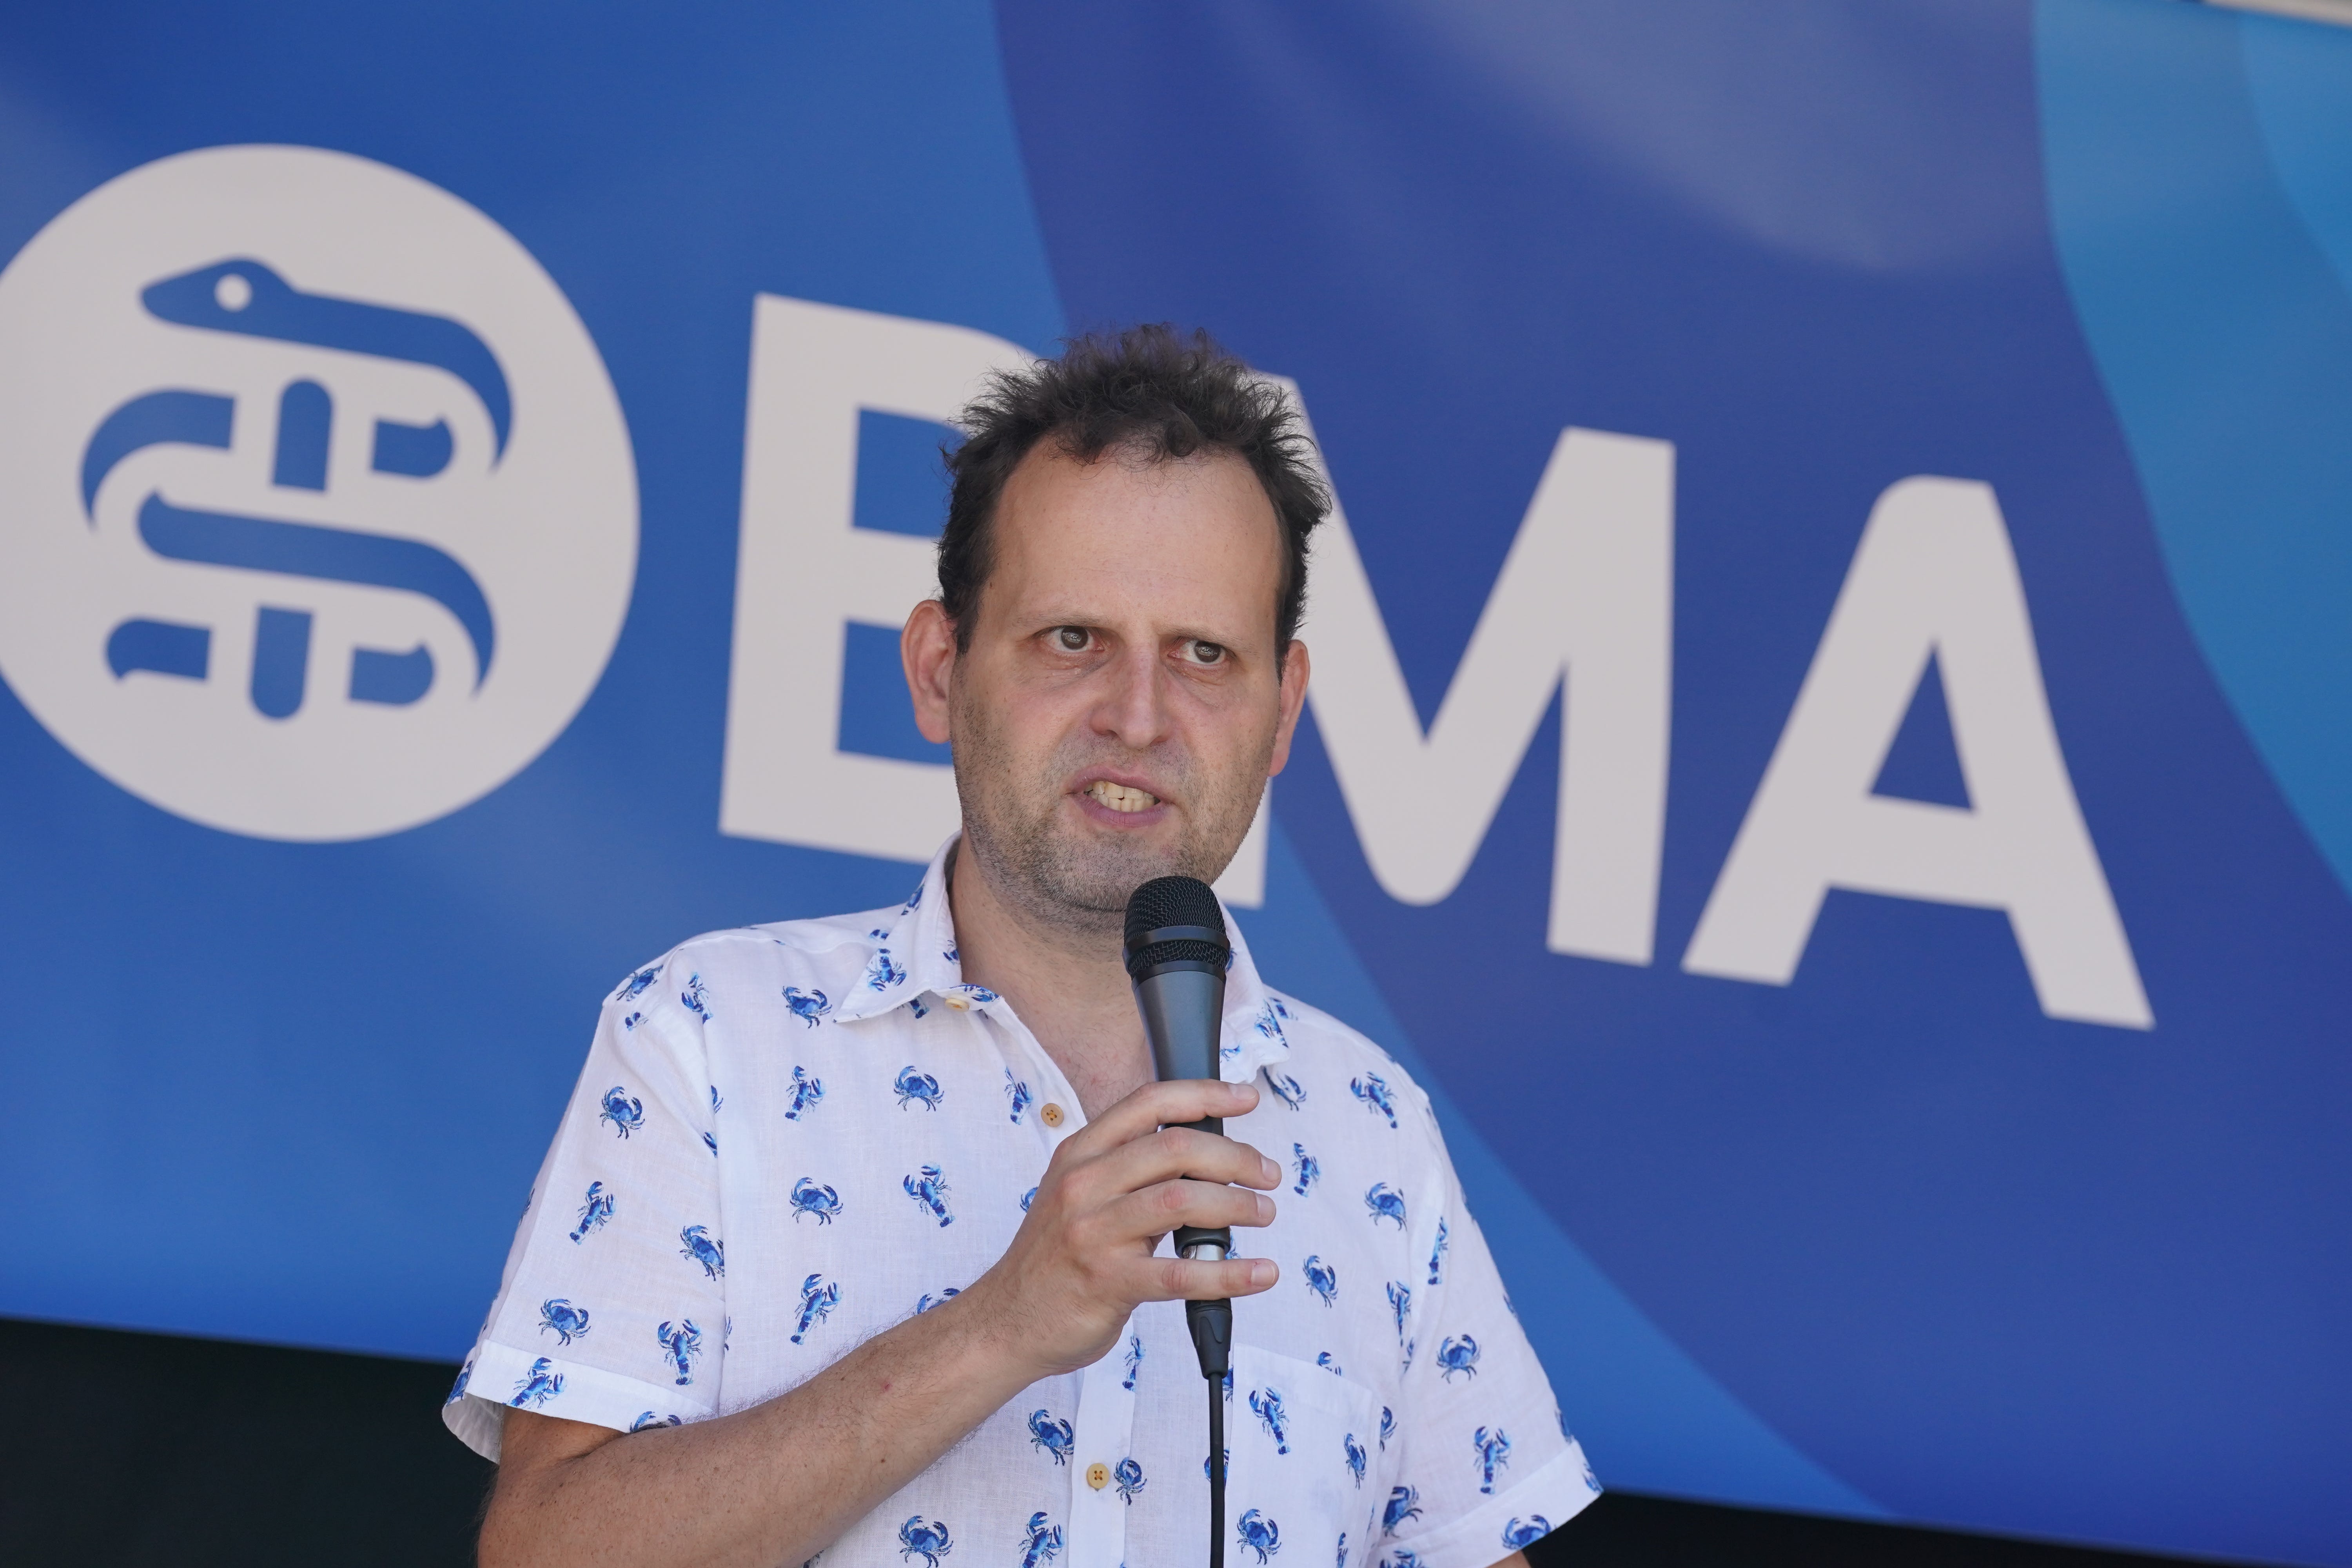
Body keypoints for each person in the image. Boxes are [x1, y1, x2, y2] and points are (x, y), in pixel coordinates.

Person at [448, 327, 1599, 1568]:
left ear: (1283, 711)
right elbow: (543, 1553)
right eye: (1073, 640)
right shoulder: (705, 1038)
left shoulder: (1372, 1126)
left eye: (1205, 655)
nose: (1139, 715)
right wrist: (999, 1328)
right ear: (940, 669)